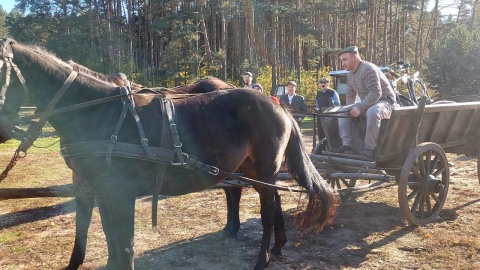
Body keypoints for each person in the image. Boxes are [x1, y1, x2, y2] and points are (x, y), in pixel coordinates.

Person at [331, 46, 396, 159]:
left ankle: (370, 148)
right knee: (342, 111)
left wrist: (360, 108)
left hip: (385, 101)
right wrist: (350, 110)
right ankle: (347, 145)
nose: (343, 63)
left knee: (373, 112)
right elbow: (351, 95)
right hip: (369, 102)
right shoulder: (350, 74)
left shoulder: (368, 69)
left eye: (345, 59)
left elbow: (376, 93)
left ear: (355, 57)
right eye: (342, 60)